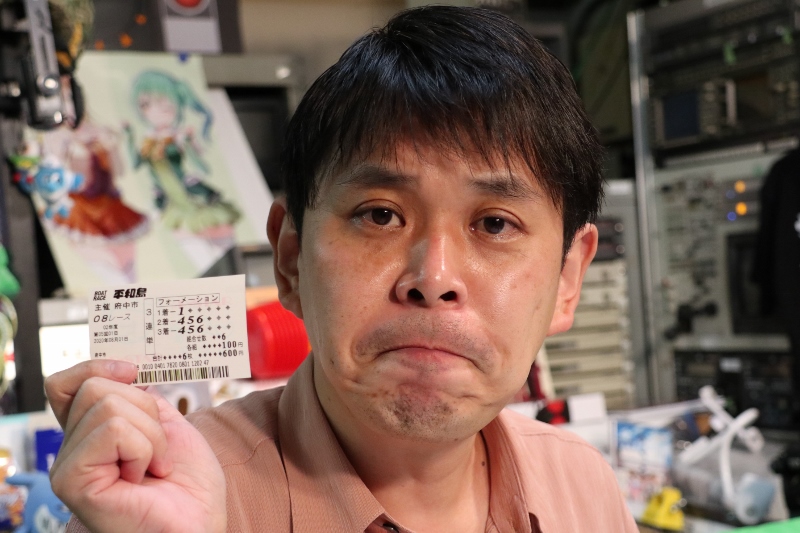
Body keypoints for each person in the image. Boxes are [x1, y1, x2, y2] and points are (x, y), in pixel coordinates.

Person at [46, 6, 638, 532]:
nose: (433, 279)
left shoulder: (582, 485)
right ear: (291, 259)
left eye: (495, 224)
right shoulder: (166, 499)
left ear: (567, 281)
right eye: (380, 215)